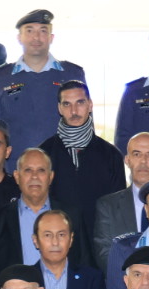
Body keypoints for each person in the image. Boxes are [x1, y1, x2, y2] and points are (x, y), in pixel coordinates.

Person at [0, 10, 85, 151]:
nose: (36, 37)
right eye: (29, 31)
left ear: (51, 38)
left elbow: (85, 127)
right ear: (19, 38)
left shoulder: (72, 74)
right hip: (16, 164)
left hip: (63, 163)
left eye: (43, 31)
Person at [41, 81, 125, 234]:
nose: (74, 111)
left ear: (90, 105)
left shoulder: (112, 155)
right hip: (56, 240)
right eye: (67, 104)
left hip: (99, 241)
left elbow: (118, 210)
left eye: (80, 102)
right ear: (59, 108)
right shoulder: (44, 153)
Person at [91, 133, 149, 275]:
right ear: (127, 160)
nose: (143, 161)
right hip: (124, 285)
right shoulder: (108, 206)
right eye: (137, 154)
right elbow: (105, 256)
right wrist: (137, 280)